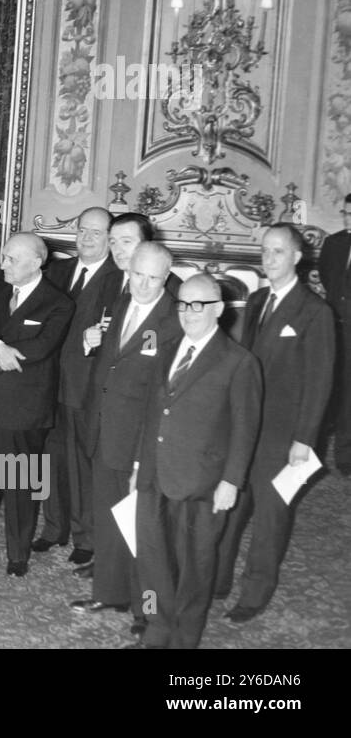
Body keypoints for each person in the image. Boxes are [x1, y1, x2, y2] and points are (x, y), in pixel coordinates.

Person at [133, 274, 261, 649]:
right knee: (152, 561)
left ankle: (185, 638)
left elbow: (245, 427)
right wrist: (140, 467)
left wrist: (231, 481)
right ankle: (156, 629)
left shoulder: (239, 362)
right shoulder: (167, 347)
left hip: (203, 483)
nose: (189, 312)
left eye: (198, 304)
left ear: (218, 309)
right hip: (155, 475)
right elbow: (152, 413)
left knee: (195, 567)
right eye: (183, 304)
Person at [216, 224, 334, 622]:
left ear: (297, 258)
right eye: (265, 250)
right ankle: (217, 579)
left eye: (278, 251)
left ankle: (256, 591)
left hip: (285, 436)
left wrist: (305, 439)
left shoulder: (315, 311)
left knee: (271, 515)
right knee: (231, 505)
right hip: (247, 426)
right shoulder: (258, 298)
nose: (269, 258)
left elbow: (320, 382)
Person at [69, 241, 181, 632]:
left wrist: (141, 457)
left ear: (166, 278)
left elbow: (165, 398)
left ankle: (146, 611)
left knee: (145, 533)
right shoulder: (122, 302)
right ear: (129, 271)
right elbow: (112, 363)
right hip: (105, 432)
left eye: (154, 278)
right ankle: (110, 592)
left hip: (141, 445)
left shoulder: (174, 322)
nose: (144, 285)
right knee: (109, 520)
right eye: (138, 274)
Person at [0, 232, 74, 577]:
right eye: (3, 256)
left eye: (12, 259)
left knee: (20, 484)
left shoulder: (58, 303)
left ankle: (17, 554)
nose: (3, 264)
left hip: (25, 406)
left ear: (37, 262)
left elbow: (39, 350)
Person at [36, 206, 120, 568]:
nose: (86, 238)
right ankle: (53, 527)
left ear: (110, 239)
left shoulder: (119, 279)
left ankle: (86, 536)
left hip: (86, 385)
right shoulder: (57, 270)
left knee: (83, 462)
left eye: (96, 233)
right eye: (82, 230)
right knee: (49, 460)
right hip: (47, 383)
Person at [315, 193, 351, 475]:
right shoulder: (334, 243)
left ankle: (344, 457)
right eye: (345, 213)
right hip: (334, 327)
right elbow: (327, 276)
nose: (347, 219)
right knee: (330, 386)